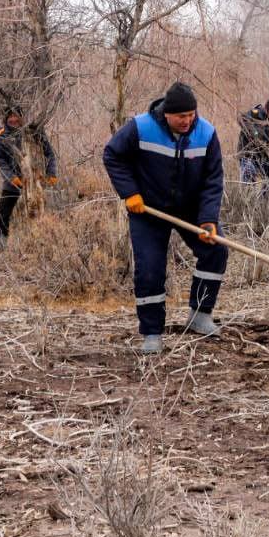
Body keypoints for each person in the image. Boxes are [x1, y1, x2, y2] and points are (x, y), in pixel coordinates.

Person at [102, 82, 228, 355]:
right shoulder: (140, 127)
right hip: (147, 209)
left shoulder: (206, 133)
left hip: (189, 208)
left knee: (216, 249)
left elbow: (213, 179)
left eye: (191, 115)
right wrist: (129, 192)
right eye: (181, 116)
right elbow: (112, 155)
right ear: (167, 113)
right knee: (150, 269)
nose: (187, 121)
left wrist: (208, 219)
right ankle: (152, 333)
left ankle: (200, 314)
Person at [0, 107, 57, 250]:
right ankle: (1, 239)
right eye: (10, 116)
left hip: (36, 179)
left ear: (22, 116)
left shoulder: (34, 131)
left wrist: (51, 173)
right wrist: (12, 178)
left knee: (40, 208)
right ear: (5, 118)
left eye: (16, 116)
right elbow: (0, 160)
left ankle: (43, 239)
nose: (13, 119)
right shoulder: (1, 135)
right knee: (3, 209)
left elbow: (49, 153)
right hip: (14, 179)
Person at [236, 96, 269, 183]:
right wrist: (255, 133)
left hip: (258, 155)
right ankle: (248, 192)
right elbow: (241, 118)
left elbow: (265, 143)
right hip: (247, 154)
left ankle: (265, 193)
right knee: (249, 179)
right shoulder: (255, 113)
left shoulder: (266, 122)